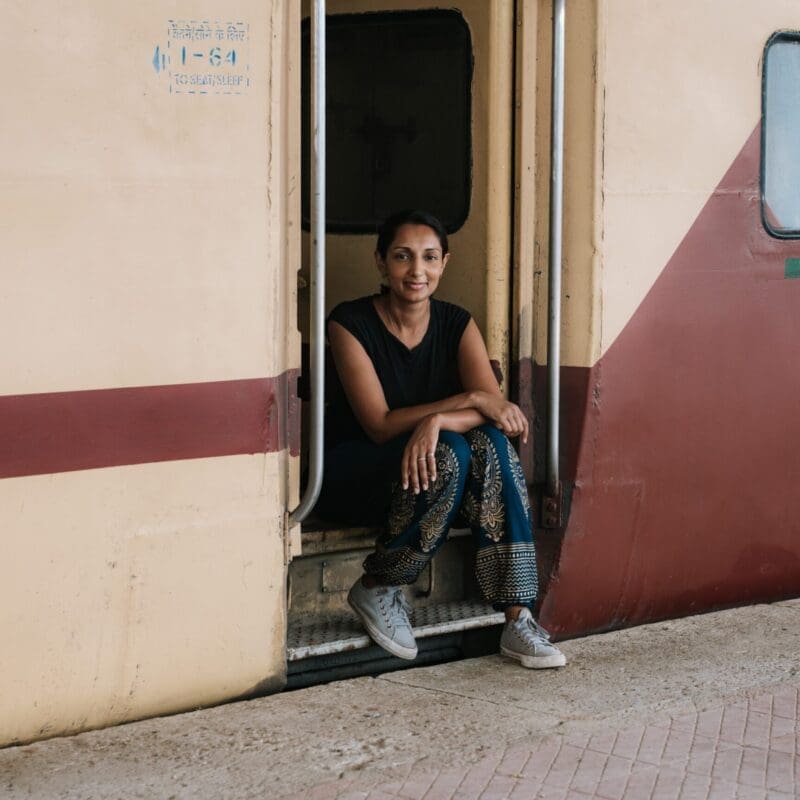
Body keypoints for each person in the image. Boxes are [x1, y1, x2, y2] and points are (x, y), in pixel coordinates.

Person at [316, 210, 566, 669]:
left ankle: (517, 616)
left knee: (489, 441)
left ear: (444, 263)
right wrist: (464, 402)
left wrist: (439, 421)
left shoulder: (455, 323)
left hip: (429, 470)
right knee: (451, 449)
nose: (417, 271)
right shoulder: (348, 322)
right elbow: (380, 424)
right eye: (402, 257)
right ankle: (379, 586)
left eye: (429, 258)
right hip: (358, 470)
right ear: (381, 263)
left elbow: (501, 416)